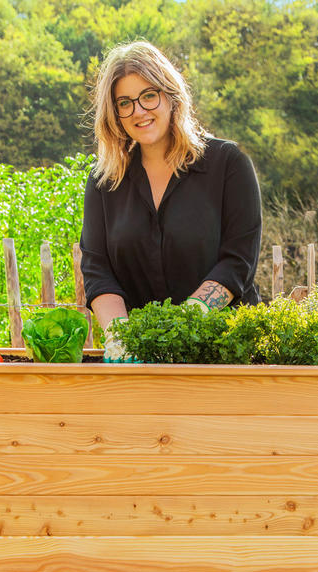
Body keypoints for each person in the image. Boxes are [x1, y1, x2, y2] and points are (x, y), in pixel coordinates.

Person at [78, 40, 262, 360]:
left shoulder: (227, 164)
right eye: (125, 103)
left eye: (149, 96)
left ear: (171, 97)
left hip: (229, 353)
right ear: (115, 114)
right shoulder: (103, 182)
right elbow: (97, 269)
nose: (138, 111)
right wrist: (119, 337)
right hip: (142, 359)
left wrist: (183, 326)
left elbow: (238, 261)